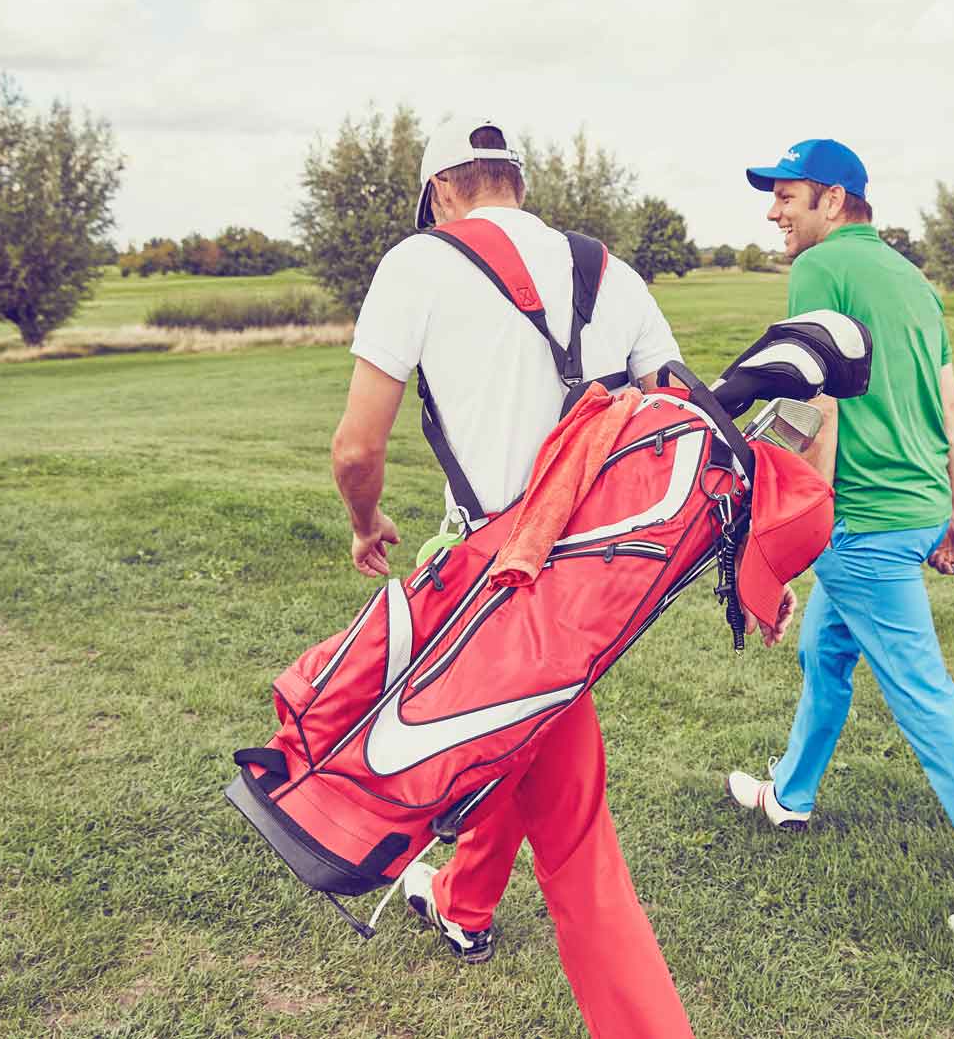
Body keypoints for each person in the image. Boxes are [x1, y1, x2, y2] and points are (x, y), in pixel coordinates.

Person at [328, 115, 766, 1039]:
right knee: (519, 740)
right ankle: (463, 903)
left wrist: (367, 525)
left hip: (496, 580)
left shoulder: (419, 261)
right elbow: (685, 420)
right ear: (513, 179)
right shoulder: (611, 270)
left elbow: (357, 446)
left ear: (443, 189)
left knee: (576, 842)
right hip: (602, 578)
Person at [723, 139, 954, 960]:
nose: (775, 211)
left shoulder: (819, 270)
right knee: (825, 652)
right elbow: (949, 403)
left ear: (835, 202)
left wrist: (786, 542)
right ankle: (792, 793)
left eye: (788, 196)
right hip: (915, 509)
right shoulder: (911, 278)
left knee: (926, 702)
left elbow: (819, 410)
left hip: (866, 521)